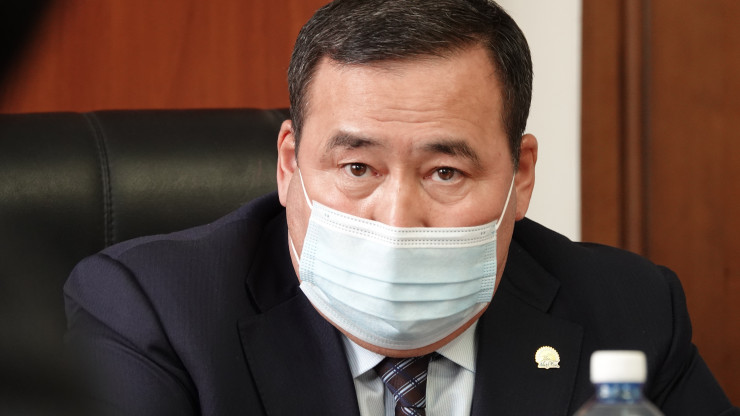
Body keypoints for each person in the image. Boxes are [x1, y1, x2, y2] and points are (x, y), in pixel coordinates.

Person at [64, 0, 739, 415]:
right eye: (357, 168)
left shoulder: (629, 311)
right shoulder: (156, 311)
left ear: (522, 176)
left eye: (446, 172)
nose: (396, 219)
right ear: (290, 165)